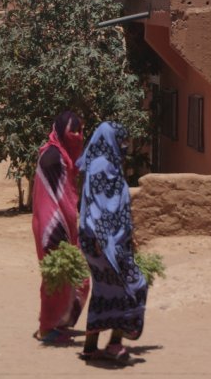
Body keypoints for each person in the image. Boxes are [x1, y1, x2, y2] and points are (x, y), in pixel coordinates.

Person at [76, 121, 147, 361]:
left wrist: (128, 236)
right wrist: (104, 240)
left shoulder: (106, 163)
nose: (125, 145)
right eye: (122, 140)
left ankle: (91, 347)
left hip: (109, 239)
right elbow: (99, 206)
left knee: (105, 290)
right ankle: (115, 342)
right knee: (132, 286)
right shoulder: (102, 166)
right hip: (103, 241)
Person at [31, 111, 90, 344]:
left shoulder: (64, 157)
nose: (78, 136)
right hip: (51, 227)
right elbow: (47, 200)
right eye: (73, 131)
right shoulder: (52, 158)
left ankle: (58, 321)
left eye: (80, 131)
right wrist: (56, 231)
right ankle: (47, 328)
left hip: (67, 226)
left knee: (79, 277)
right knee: (57, 277)